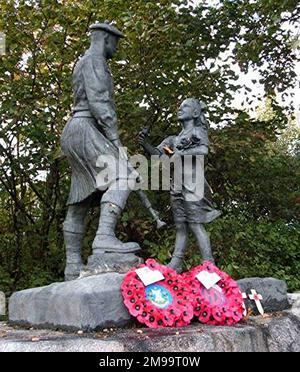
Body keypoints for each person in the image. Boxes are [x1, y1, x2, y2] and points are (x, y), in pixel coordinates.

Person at [61, 21, 140, 281]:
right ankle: (104, 239)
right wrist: (116, 140)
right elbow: (100, 101)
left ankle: (73, 265)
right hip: (85, 128)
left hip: (74, 130)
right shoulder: (95, 61)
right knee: (124, 176)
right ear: (106, 39)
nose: (116, 47)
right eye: (115, 41)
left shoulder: (82, 61)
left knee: (80, 198)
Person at [138, 98, 221, 272]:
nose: (180, 109)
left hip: (192, 185)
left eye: (185, 107)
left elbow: (203, 150)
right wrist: (145, 143)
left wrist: (179, 153)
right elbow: (157, 154)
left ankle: (209, 263)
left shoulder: (198, 131)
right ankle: (176, 263)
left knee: (196, 224)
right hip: (176, 185)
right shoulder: (172, 139)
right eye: (179, 106)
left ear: (196, 113)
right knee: (180, 226)